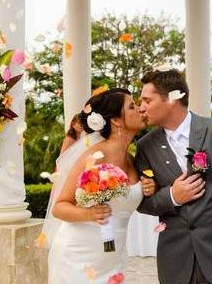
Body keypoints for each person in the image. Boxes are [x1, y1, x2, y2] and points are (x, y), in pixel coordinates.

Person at [136, 69, 212, 284]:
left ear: (173, 98)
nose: (141, 107)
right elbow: (144, 203)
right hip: (174, 260)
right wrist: (172, 196)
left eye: (147, 100)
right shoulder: (145, 146)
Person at [45, 88, 179, 283]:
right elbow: (59, 207)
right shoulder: (94, 157)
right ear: (116, 120)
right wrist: (88, 214)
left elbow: (130, 200)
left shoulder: (133, 160)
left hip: (112, 261)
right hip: (78, 258)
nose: (140, 109)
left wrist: (150, 188)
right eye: (132, 106)